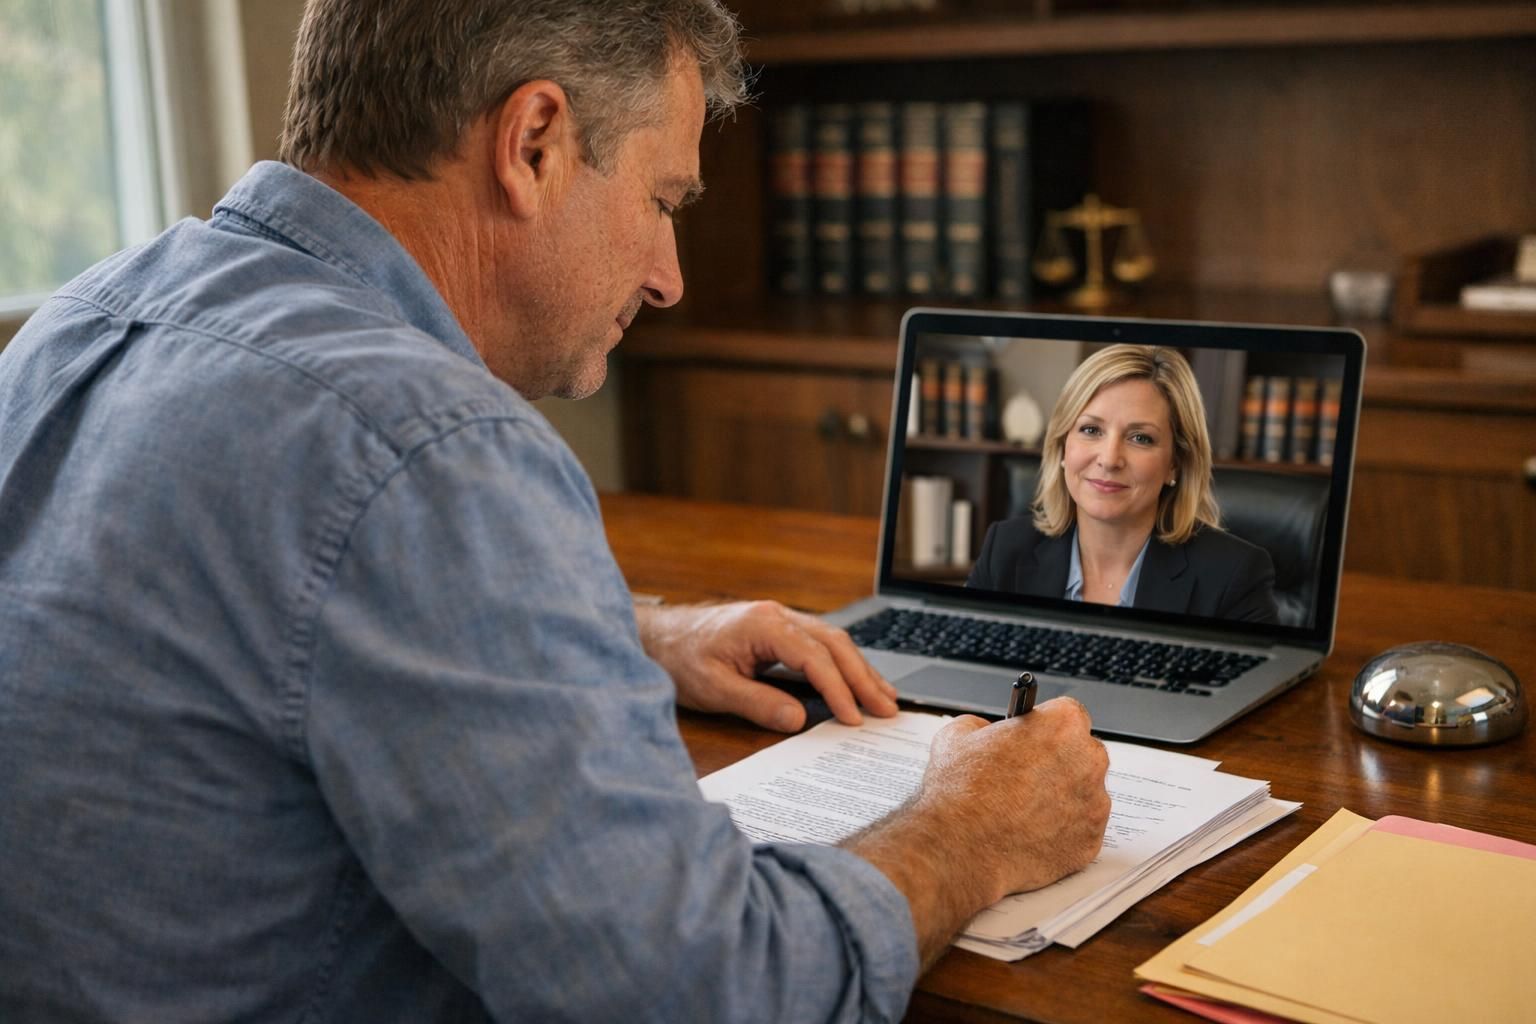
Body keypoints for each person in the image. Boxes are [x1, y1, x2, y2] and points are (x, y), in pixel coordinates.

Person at [0, 2, 1110, 1021]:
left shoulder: (82, 323)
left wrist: (641, 631)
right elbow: (713, 990)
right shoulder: (432, 447)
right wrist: (973, 825)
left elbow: (249, 609)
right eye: (662, 200)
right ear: (533, 142)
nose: (671, 274)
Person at [968, 345, 1280, 624]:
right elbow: (969, 676)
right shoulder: (1006, 550)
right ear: (1063, 446)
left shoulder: (1234, 575)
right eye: (1091, 430)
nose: (1109, 458)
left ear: (1176, 462)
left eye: (1140, 438)